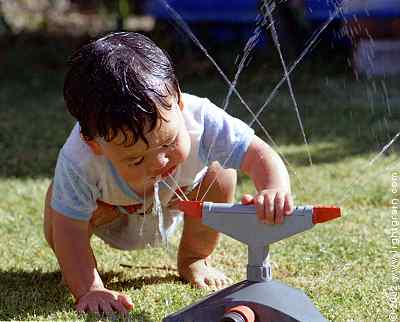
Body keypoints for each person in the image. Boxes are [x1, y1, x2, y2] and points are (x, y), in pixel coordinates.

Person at [43, 32, 294, 315]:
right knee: (60, 212)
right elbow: (69, 229)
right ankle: (82, 274)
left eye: (168, 142)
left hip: (177, 199)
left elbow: (259, 154)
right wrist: (89, 289)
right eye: (136, 159)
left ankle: (195, 258)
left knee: (221, 173)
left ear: (177, 100)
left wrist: (274, 189)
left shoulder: (201, 119)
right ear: (94, 143)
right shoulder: (80, 159)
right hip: (104, 213)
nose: (159, 161)